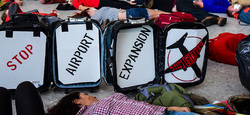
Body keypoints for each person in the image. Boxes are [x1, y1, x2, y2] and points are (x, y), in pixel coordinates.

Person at [0, 81, 195, 115]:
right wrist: (171, 110)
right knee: (22, 88)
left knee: (9, 91)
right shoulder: (101, 107)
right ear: (76, 101)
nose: (92, 95)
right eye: (85, 94)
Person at [125, 0, 227, 26]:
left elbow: (143, 2)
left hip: (178, 1)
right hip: (178, 4)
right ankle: (215, 19)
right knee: (192, 13)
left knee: (192, 11)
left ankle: (215, 18)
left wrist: (135, 2)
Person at [72, 7, 170, 26]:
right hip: (130, 11)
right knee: (160, 13)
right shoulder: (98, 13)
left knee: (158, 16)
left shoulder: (97, 18)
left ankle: (176, 19)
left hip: (130, 16)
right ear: (88, 11)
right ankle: (178, 16)